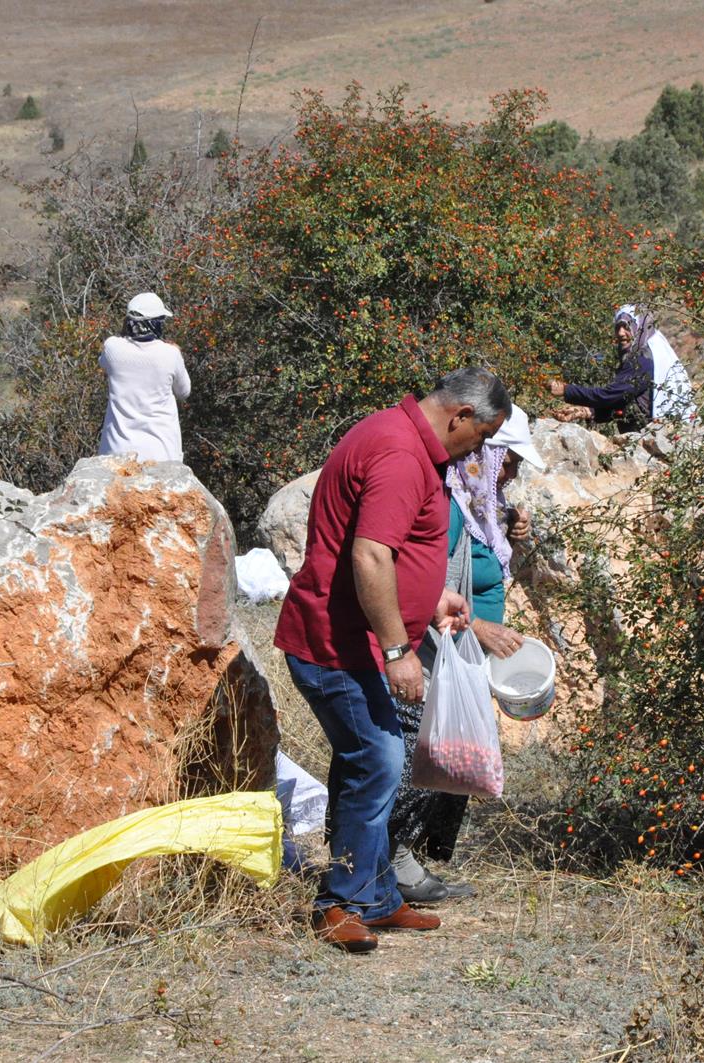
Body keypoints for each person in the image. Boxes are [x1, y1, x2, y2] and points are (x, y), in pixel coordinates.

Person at [274, 368, 510, 953]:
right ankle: (340, 903)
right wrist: (398, 648)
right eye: (481, 437)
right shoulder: (401, 453)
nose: (478, 451)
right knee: (378, 759)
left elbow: (393, 552)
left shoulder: (400, 439)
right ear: (459, 416)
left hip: (352, 641)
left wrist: (429, 599)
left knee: (369, 759)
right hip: (337, 644)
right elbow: (371, 557)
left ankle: (376, 896)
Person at [388, 404, 546, 904]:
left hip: (460, 650)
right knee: (422, 753)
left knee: (448, 754)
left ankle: (413, 857)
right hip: (435, 648)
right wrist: (477, 627)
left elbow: (483, 566)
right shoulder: (452, 506)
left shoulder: (481, 504)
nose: (513, 473)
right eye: (509, 462)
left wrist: (512, 527)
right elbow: (426, 583)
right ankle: (394, 861)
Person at [548, 304, 696, 430]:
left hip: (649, 440)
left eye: (626, 327)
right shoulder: (647, 354)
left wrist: (566, 390)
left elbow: (611, 395)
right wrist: (586, 411)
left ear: (640, 328)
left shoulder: (643, 359)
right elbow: (625, 400)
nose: (620, 333)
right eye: (618, 327)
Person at [97, 292, 191, 463]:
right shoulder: (171, 354)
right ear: (156, 324)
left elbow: (103, 362)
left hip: (116, 453)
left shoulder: (112, 347)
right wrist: (177, 353)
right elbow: (184, 392)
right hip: (162, 452)